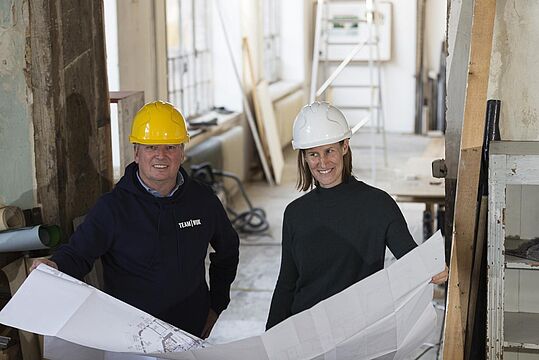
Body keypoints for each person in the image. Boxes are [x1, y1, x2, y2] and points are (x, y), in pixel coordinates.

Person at [32, 100, 240, 339]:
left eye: (170, 147)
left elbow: (228, 250)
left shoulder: (202, 201)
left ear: (182, 152)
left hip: (189, 332)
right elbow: (79, 254)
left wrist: (216, 304)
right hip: (129, 337)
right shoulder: (113, 208)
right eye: (151, 147)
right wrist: (54, 266)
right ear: (136, 153)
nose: (161, 155)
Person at [266, 101, 448, 330]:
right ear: (304, 157)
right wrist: (269, 339)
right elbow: (287, 283)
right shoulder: (295, 214)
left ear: (344, 146)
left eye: (329, 150)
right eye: (313, 154)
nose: (322, 162)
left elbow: (410, 257)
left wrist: (432, 267)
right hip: (307, 333)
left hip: (359, 333)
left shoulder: (378, 205)